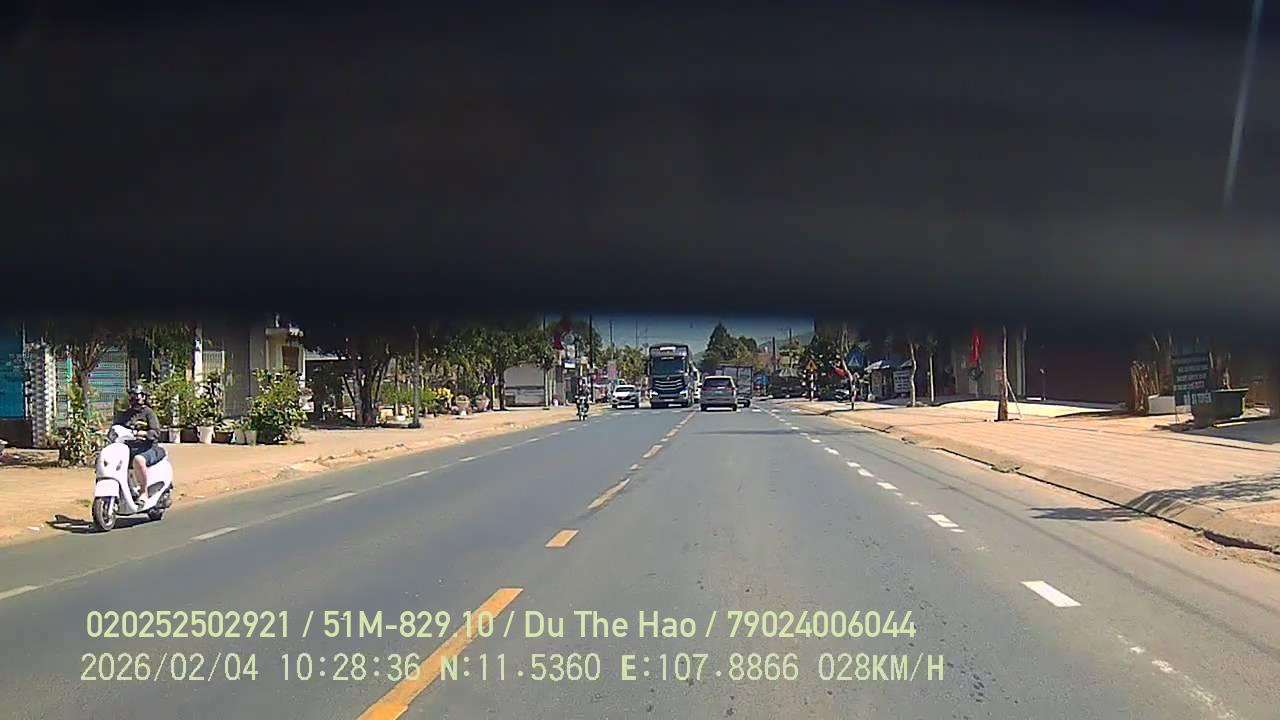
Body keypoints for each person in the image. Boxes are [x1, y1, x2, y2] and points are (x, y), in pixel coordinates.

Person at [112, 384, 165, 502]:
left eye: (137, 395)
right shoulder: (126, 414)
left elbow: (156, 432)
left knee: (138, 460)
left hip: (148, 448)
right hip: (129, 448)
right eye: (132, 395)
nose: (135, 398)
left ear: (144, 397)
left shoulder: (148, 413)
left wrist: (142, 434)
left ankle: (143, 492)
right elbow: (116, 428)